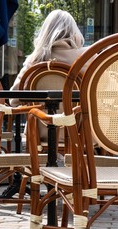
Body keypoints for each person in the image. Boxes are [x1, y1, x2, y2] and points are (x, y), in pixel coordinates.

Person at [9, 9, 89, 145]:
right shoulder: (88, 58)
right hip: (81, 132)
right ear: (75, 33)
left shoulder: (34, 62)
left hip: (41, 132)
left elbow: (14, 99)